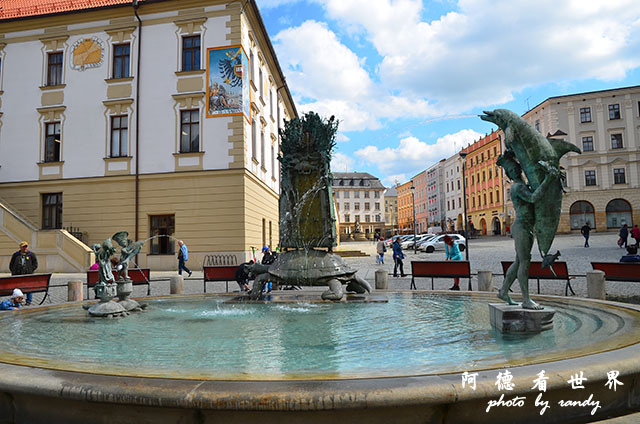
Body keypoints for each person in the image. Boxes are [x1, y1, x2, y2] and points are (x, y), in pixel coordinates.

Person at [497, 152, 559, 310]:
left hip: (526, 226)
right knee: (525, 261)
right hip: (522, 226)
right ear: (509, 174)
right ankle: (526, 299)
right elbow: (533, 198)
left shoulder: (522, 185)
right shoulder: (517, 187)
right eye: (512, 170)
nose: (515, 171)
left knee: (519, 261)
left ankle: (504, 291)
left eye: (516, 168)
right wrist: (548, 179)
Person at [9, 241, 38, 306]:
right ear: (20, 247)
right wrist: (14, 271)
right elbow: (11, 264)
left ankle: (28, 301)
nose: (25, 248)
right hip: (17, 274)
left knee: (28, 288)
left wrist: (30, 270)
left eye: (26, 247)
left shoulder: (31, 254)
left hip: (28, 274)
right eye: (23, 247)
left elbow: (35, 264)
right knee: (17, 288)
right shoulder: (16, 255)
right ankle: (18, 300)